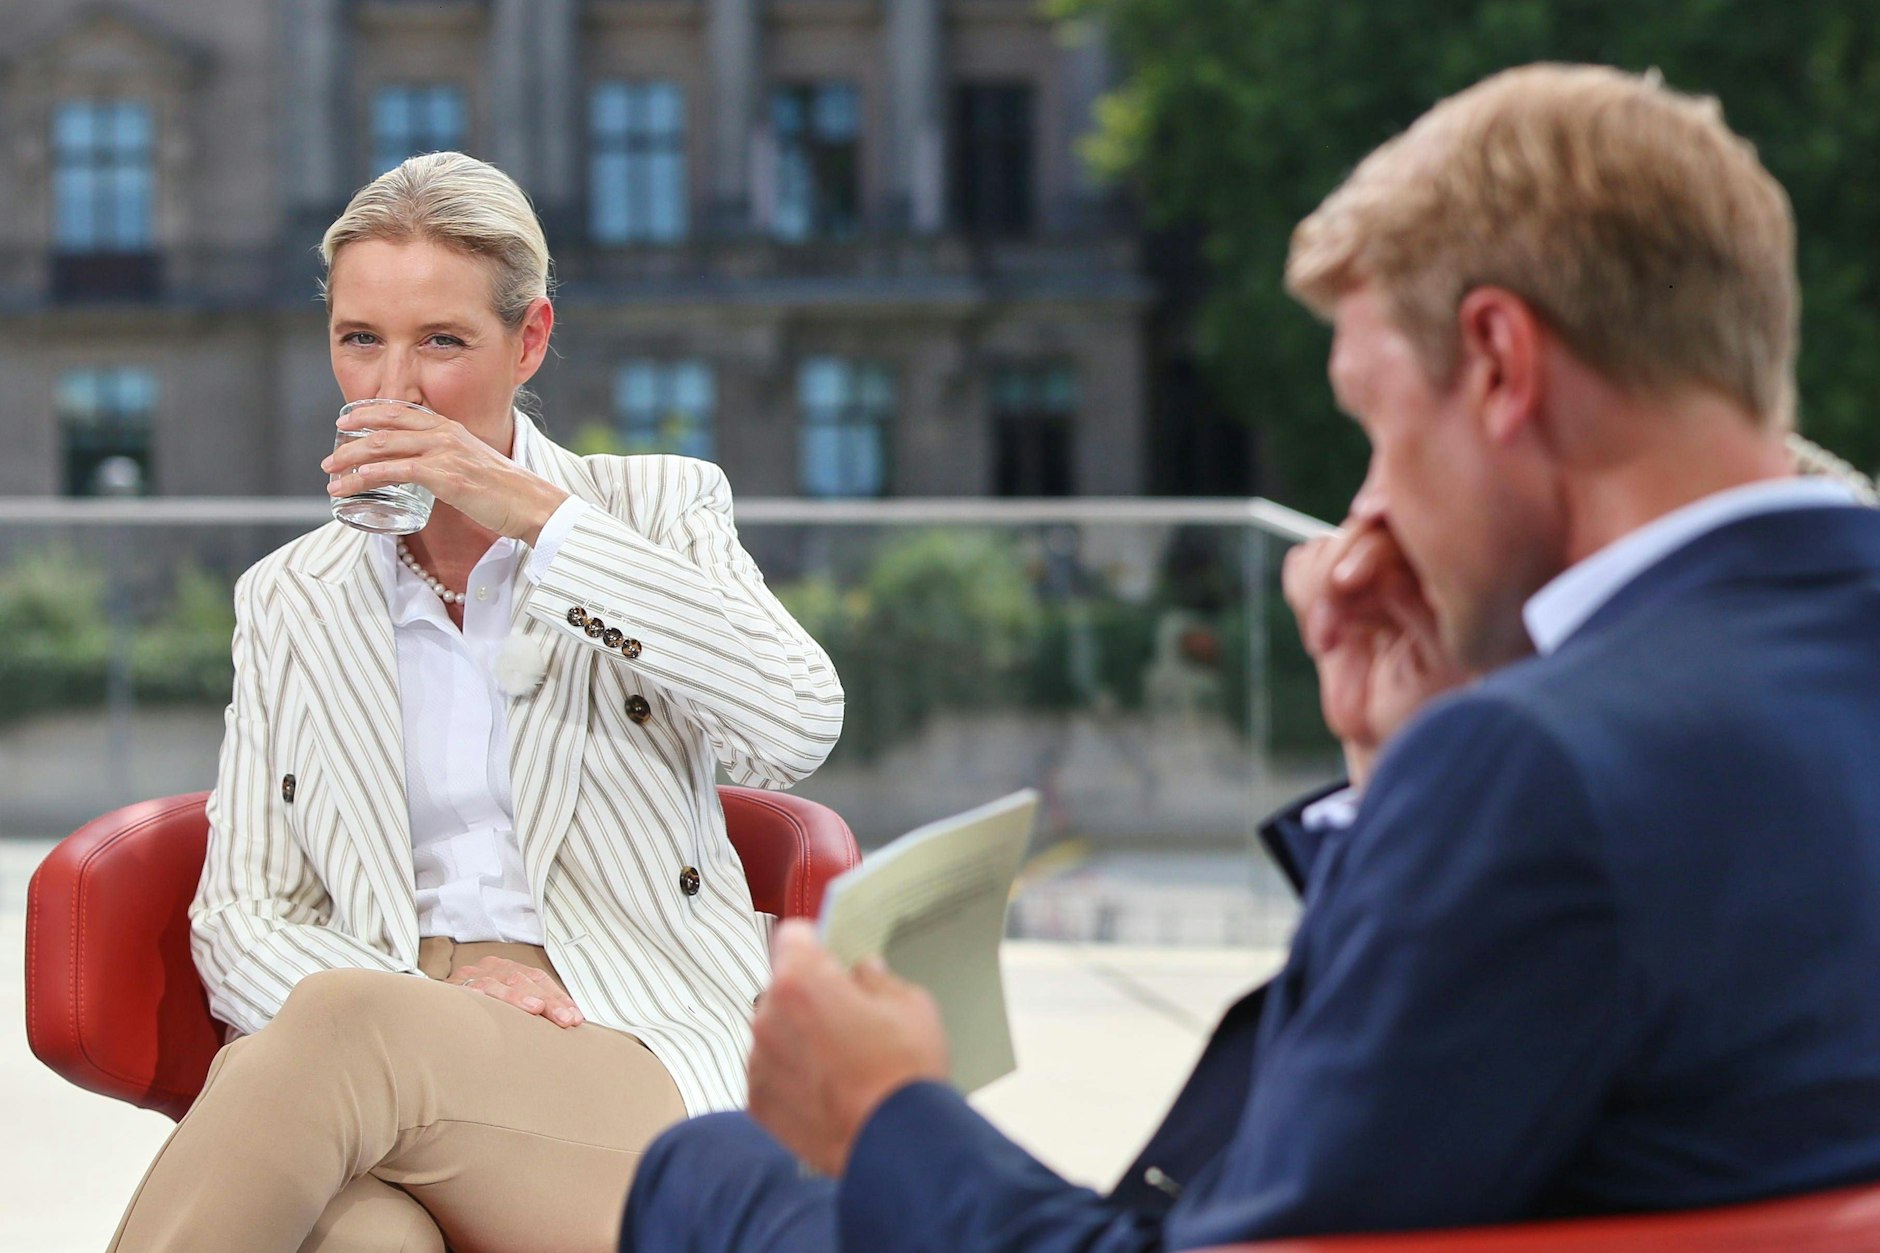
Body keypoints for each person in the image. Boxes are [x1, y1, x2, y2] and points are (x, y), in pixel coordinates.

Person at [619, 63, 1880, 1251]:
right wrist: (1389, 776)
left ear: (1498, 363)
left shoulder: (1528, 767)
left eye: (1377, 427)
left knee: (712, 1170)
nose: (1371, 506)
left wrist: (883, 1106)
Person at [108, 152, 843, 1253]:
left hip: (629, 1032)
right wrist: (432, 997)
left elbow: (794, 721)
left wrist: (536, 521)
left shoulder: (656, 507)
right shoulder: (287, 596)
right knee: (361, 1236)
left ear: (529, 339)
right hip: (376, 1024)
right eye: (360, 340)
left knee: (348, 1032)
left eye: (441, 342)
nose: (392, 389)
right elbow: (240, 916)